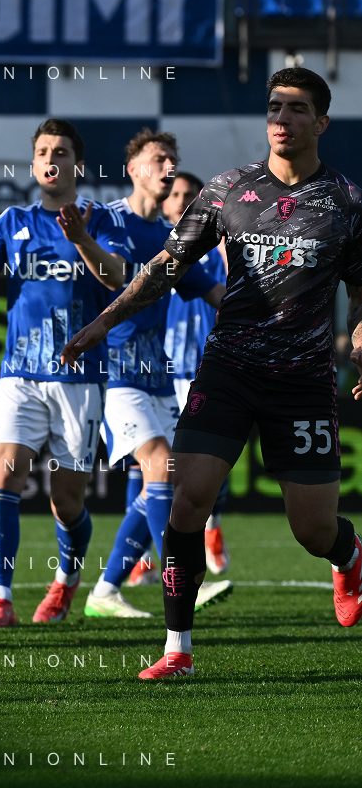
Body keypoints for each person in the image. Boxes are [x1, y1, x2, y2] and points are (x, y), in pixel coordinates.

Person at [61, 68, 362, 679]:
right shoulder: (227, 191)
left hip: (302, 381)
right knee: (186, 500)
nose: (282, 119)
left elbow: (360, 292)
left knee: (312, 529)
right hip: (227, 370)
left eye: (296, 109)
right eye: (274, 107)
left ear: (322, 122)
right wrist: (104, 321)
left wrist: (360, 344)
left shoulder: (348, 203)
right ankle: (178, 649)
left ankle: (349, 556)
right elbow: (164, 266)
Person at [0, 119, 129, 627]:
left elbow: (117, 277)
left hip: (79, 378)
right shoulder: (11, 221)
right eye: (43, 151)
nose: (50, 159)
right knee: (4, 476)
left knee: (66, 501)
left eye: (60, 152)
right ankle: (0, 599)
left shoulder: (102, 218)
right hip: (19, 375)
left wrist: (81, 239)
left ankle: (65, 580)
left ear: (77, 165)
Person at [81, 130, 230, 619]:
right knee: (161, 468)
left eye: (174, 159)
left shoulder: (173, 243)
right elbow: (109, 274)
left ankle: (105, 590)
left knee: (164, 485)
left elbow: (217, 296)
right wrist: (80, 239)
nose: (169, 167)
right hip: (114, 375)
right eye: (159, 159)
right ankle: (181, 578)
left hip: (158, 381)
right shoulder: (104, 218)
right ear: (133, 169)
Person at [162, 171, 233, 577]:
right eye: (175, 194)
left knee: (211, 461)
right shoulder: (155, 246)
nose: (182, 200)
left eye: (191, 194)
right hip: (161, 370)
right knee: (152, 466)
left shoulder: (218, 249)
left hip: (208, 368)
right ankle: (148, 554)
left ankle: (212, 527)